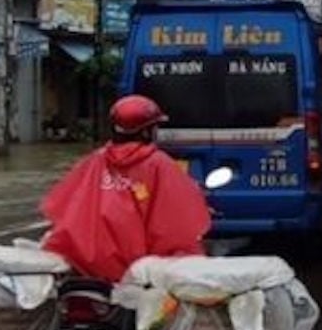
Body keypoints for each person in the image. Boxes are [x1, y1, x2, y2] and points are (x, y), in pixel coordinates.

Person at [40, 95, 211, 282]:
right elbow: (179, 224)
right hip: (137, 269)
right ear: (147, 132)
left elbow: (60, 206)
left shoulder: (95, 160)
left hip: (87, 266)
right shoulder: (159, 164)